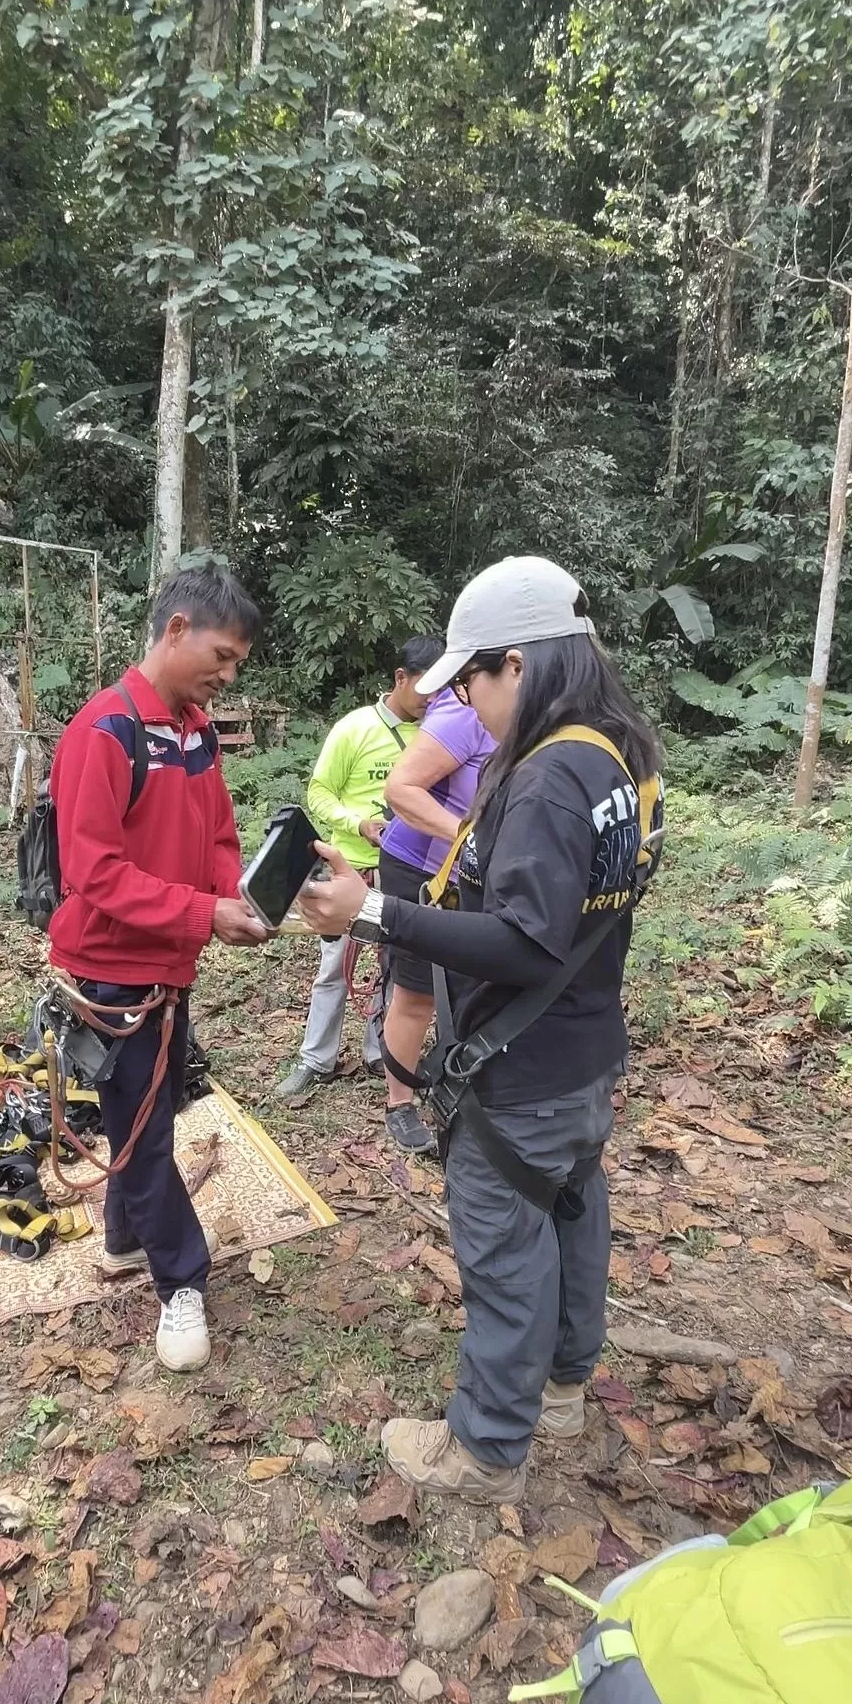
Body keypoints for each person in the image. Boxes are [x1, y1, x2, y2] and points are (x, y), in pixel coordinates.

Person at [299, 556, 662, 1503]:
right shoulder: (621, 756)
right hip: (585, 1055)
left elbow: (525, 939)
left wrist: (374, 912)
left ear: (520, 665)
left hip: (520, 1068)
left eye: (471, 682)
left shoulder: (545, 778)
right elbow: (577, 909)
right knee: (573, 1212)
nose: (465, 703)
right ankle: (564, 1390)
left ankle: (487, 1449)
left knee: (504, 1248)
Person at [48, 567, 268, 1374]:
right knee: (144, 1135)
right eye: (222, 655)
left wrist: (232, 896)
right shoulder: (103, 732)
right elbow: (94, 874)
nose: (228, 673)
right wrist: (204, 913)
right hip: (112, 974)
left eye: (238, 661)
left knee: (149, 1109)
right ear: (176, 630)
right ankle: (183, 1280)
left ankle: (122, 1237)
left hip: (170, 964)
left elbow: (217, 836)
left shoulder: (195, 732)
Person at [276, 636, 445, 1102]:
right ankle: (316, 1059)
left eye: (441, 689)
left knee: (396, 966)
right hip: (351, 868)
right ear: (400, 678)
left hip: (408, 871)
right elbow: (319, 793)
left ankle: (381, 1053)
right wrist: (358, 824)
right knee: (335, 966)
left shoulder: (439, 732)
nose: (432, 699)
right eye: (425, 688)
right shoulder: (354, 729)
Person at [376, 685, 496, 1152]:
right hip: (422, 868)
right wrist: (469, 839)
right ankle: (399, 1103)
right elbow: (400, 788)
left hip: (477, 871)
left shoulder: (534, 713)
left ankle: (460, 1078)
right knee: (418, 990)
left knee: (474, 981)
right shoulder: (466, 712)